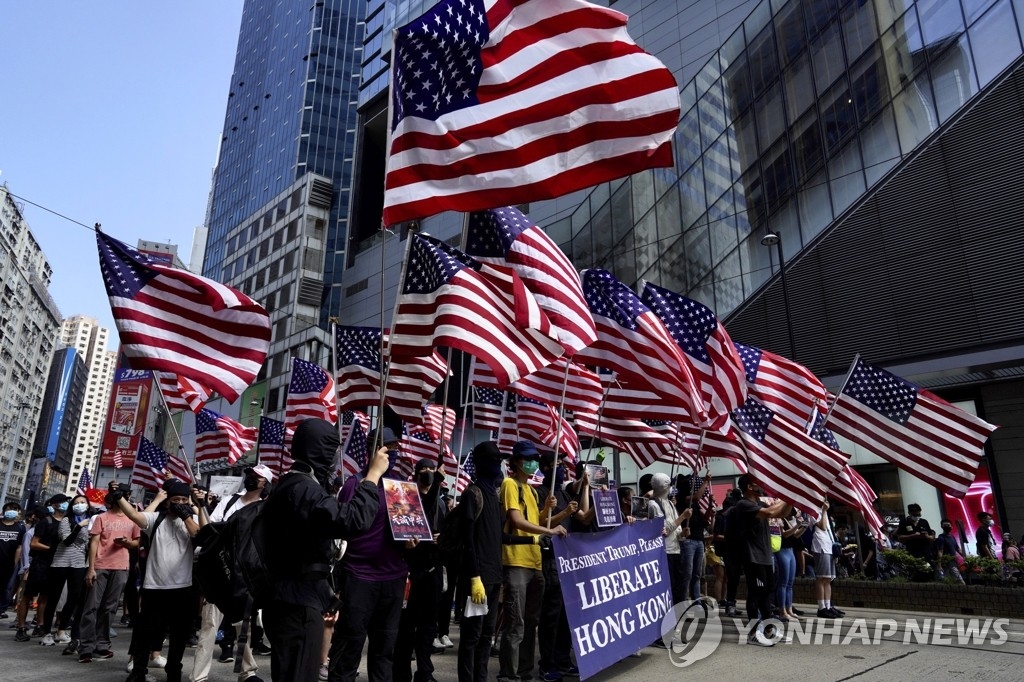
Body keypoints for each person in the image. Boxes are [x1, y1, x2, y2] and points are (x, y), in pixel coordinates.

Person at [263, 417, 388, 682]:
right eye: (331, 451)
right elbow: (352, 520)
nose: (333, 459)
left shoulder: (290, 484)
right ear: (318, 451)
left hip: (292, 596)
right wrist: (372, 477)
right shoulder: (303, 489)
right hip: (297, 603)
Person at [330, 426, 411, 682]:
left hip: (393, 577)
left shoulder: (401, 488)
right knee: (349, 646)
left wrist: (412, 539)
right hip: (359, 577)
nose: (395, 454)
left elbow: (408, 527)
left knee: (384, 649)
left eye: (397, 448)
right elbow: (342, 527)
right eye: (390, 448)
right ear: (374, 451)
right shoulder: (355, 484)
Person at [190, 464, 275, 682]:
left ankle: (246, 672)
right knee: (209, 625)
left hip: (245, 575)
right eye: (250, 475)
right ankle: (198, 676)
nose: (251, 479)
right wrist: (201, 507)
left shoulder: (266, 509)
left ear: (265, 483)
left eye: (256, 477)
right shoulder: (229, 500)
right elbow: (212, 527)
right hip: (220, 569)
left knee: (242, 625)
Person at [118, 479, 208, 682]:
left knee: (179, 635)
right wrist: (119, 498)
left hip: (182, 587)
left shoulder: (189, 520)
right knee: (146, 632)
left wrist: (196, 508)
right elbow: (134, 516)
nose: (180, 503)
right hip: (154, 586)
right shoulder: (156, 519)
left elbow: (202, 535)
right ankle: (139, 671)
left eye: (184, 500)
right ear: (167, 501)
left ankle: (174, 671)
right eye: (176, 499)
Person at [497, 441, 566, 682]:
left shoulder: (532, 490)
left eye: (535, 459)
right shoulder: (509, 484)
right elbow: (517, 521)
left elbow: (535, 520)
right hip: (516, 561)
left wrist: (549, 511)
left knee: (530, 624)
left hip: (535, 563)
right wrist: (549, 531)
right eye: (527, 458)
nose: (532, 463)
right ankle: (509, 674)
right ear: (515, 461)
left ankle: (524, 672)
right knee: (515, 623)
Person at [456, 441, 506, 682]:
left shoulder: (494, 496)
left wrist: (535, 537)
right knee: (472, 636)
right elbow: (468, 540)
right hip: (477, 578)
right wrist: (474, 576)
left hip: (494, 577)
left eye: (499, 460)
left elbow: (498, 537)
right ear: (481, 463)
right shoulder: (472, 494)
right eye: (494, 460)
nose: (498, 464)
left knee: (487, 636)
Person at [394, 457, 445, 682]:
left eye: (431, 470)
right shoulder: (406, 497)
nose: (428, 473)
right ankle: (401, 673)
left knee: (428, 627)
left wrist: (441, 538)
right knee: (406, 627)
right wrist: (437, 482)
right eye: (423, 470)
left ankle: (425, 672)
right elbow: (417, 516)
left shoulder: (441, 503)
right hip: (411, 571)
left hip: (432, 569)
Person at [78, 486, 141, 663]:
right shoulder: (101, 518)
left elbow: (136, 543)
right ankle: (86, 647)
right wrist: (90, 568)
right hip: (100, 565)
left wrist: (126, 542)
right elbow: (94, 543)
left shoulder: (133, 519)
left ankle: (102, 645)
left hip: (121, 566)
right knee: (91, 607)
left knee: (110, 607)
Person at [536, 451, 583, 682]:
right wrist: (563, 512)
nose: (563, 468)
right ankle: (547, 664)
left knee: (567, 613)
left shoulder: (564, 493)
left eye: (564, 464)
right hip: (550, 559)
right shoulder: (541, 492)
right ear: (545, 468)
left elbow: (582, 518)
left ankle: (563, 658)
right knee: (551, 615)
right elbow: (539, 524)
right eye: (558, 464)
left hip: (568, 560)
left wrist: (588, 486)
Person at [731, 474, 790, 646]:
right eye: (757, 483)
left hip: (765, 556)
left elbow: (780, 512)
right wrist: (789, 496)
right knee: (755, 594)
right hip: (752, 557)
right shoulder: (743, 505)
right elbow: (772, 511)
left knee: (766, 595)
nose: (761, 485)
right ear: (749, 487)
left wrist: (792, 500)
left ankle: (768, 630)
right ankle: (752, 633)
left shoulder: (759, 504)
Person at [647, 473, 691, 607]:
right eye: (669, 485)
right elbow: (664, 530)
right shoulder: (653, 505)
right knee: (669, 587)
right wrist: (683, 516)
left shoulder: (670, 504)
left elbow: (675, 529)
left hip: (676, 550)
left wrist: (682, 533)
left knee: (677, 586)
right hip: (665, 552)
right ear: (665, 487)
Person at [677, 471, 712, 601]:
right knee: (687, 573)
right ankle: (683, 600)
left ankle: (696, 598)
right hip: (688, 541)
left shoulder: (695, 504)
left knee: (697, 574)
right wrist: (706, 481)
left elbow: (705, 520)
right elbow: (696, 497)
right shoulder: (682, 499)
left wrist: (709, 507)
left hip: (699, 540)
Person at [0, 502, 25, 621]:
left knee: (6, 587)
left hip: (9, 563)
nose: (13, 511)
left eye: (15, 509)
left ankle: (1, 608)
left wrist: (15, 562)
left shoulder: (20, 527)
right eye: (10, 509)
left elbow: (19, 546)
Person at [934, 519, 964, 584]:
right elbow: (940, 551)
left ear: (951, 526)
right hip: (948, 563)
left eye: (948, 525)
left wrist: (966, 557)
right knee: (960, 582)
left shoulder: (952, 537)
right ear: (942, 526)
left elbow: (958, 549)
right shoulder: (941, 538)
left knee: (952, 582)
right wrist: (939, 564)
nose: (947, 526)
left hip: (954, 562)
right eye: (945, 525)